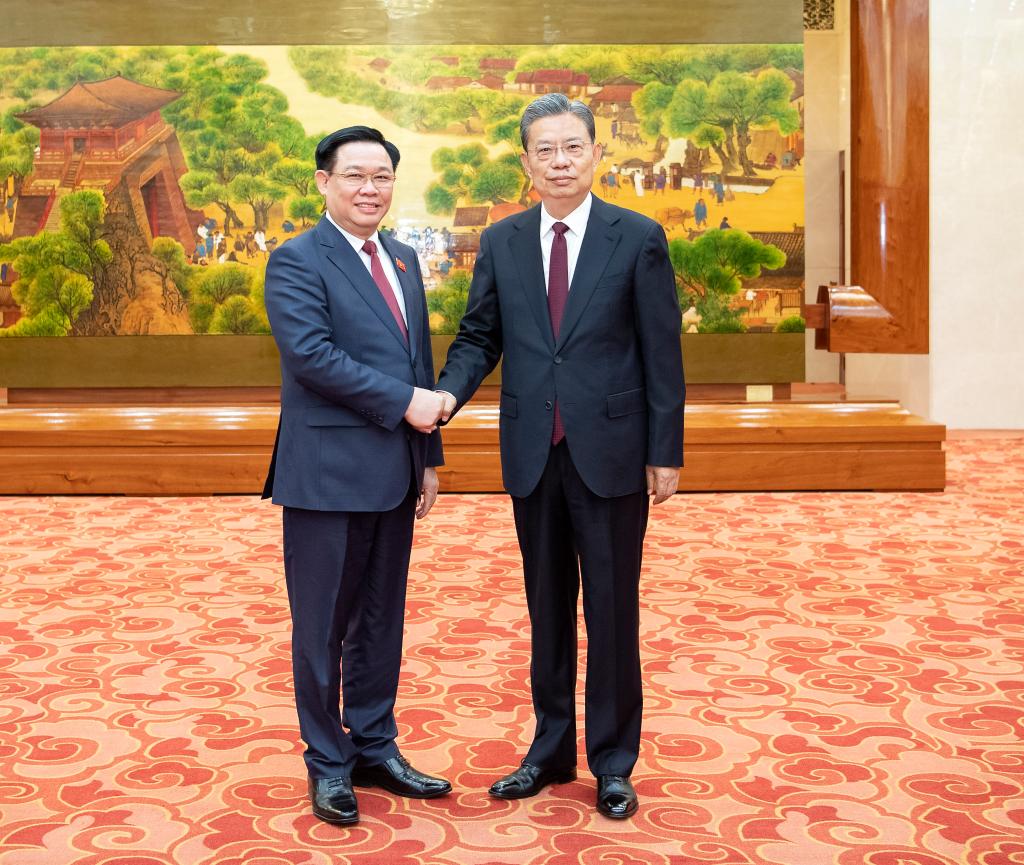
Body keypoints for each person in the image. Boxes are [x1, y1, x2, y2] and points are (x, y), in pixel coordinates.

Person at [435, 94, 684, 820]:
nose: (560, 162)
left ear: (596, 154)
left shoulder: (636, 237)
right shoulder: (503, 240)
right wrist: (446, 395)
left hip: (612, 452)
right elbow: (480, 336)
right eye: (544, 150)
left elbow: (661, 350)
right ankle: (548, 750)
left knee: (612, 610)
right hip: (533, 452)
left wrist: (664, 449)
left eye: (573, 147)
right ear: (526, 162)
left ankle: (613, 761)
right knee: (546, 609)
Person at [262, 125, 452, 827]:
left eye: (382, 177)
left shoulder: (402, 257)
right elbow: (312, 357)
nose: (370, 189)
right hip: (326, 475)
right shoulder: (295, 260)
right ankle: (327, 760)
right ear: (324, 182)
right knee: (322, 626)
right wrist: (407, 405)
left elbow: (417, 360)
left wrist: (428, 457)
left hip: (396, 471)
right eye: (355, 176)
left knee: (380, 618)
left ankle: (374, 745)